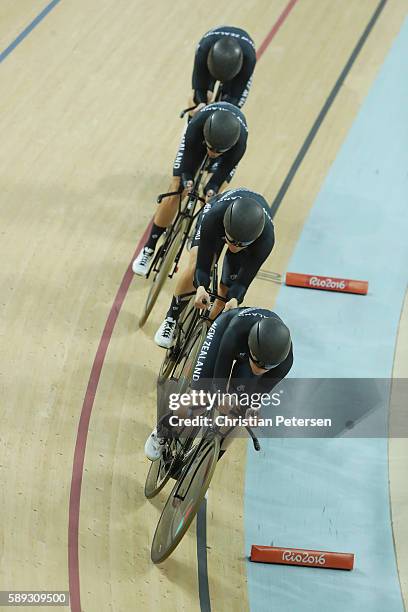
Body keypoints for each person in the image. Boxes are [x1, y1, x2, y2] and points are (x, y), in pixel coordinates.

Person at [145, 308, 293, 461]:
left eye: (266, 368)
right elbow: (219, 373)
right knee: (200, 399)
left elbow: (260, 392)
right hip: (224, 331)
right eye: (257, 363)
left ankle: (208, 462)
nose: (259, 370)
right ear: (251, 349)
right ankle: (163, 429)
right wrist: (221, 395)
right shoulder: (235, 331)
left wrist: (252, 408)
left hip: (251, 352)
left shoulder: (284, 362)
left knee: (236, 417)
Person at [132, 102, 248, 276]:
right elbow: (186, 163)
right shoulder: (196, 125)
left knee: (216, 197)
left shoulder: (239, 144)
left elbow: (222, 173)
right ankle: (149, 247)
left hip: (226, 157)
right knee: (176, 190)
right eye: (211, 148)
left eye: (218, 151)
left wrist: (211, 189)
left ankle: (199, 227)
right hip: (197, 144)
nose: (212, 153)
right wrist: (187, 180)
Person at [154, 188, 275, 348]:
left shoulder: (265, 241)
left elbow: (243, 281)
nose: (233, 246)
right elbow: (203, 266)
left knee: (226, 293)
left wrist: (234, 299)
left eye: (240, 244)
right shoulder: (215, 216)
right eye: (230, 240)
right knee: (195, 264)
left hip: (246, 234)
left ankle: (205, 335)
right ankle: (171, 318)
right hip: (217, 211)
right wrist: (201, 286)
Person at [188, 26, 257, 117]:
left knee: (227, 110)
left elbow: (236, 97)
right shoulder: (203, 50)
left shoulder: (249, 59)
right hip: (211, 50)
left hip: (239, 64)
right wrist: (200, 105)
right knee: (198, 102)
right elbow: (199, 87)